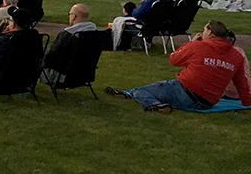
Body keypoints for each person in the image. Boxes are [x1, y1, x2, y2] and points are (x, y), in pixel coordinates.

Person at [105, 21, 251, 113]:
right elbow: (241, 82)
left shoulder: (199, 47)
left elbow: (174, 59)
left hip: (187, 91)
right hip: (208, 100)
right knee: (160, 87)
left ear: (210, 33)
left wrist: (191, 43)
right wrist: (246, 102)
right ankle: (128, 94)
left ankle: (154, 104)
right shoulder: (235, 55)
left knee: (142, 92)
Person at [40, 4, 98, 85]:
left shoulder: (68, 35)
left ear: (74, 16)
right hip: (85, 75)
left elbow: (51, 56)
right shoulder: (96, 35)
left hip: (63, 76)